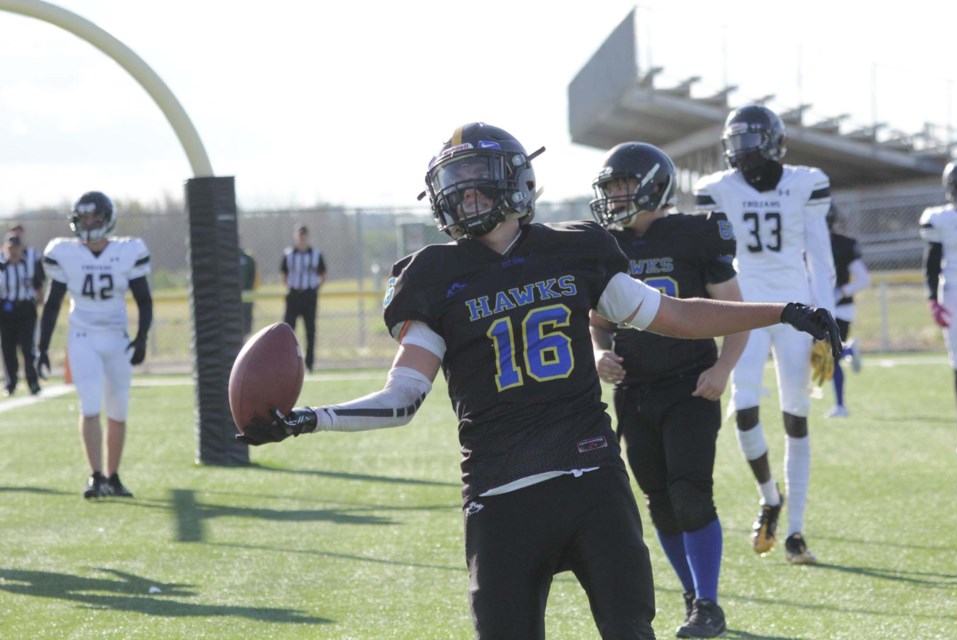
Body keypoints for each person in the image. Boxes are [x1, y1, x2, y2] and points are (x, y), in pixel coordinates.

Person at [238, 123, 840, 640]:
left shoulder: (573, 249)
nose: (466, 194)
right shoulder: (432, 274)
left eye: (478, 177)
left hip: (592, 485)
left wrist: (780, 309)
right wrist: (308, 418)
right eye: (454, 182)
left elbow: (676, 314)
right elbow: (403, 397)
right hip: (501, 497)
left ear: (516, 179)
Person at [588, 143, 746, 638]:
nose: (614, 198)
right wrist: (598, 354)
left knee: (690, 493)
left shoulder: (694, 234)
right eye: (610, 189)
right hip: (635, 390)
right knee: (659, 498)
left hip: (689, 385)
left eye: (623, 186)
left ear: (655, 184)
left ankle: (709, 604)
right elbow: (596, 321)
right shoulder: (604, 245)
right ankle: (692, 593)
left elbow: (736, 312)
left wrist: (724, 367)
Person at [694, 104, 836, 565]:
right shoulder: (719, 188)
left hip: (797, 309)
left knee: (796, 415)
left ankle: (796, 531)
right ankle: (769, 496)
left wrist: (828, 319)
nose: (741, 148)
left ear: (772, 141)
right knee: (745, 409)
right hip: (745, 307)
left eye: (749, 138)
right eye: (735, 139)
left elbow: (821, 255)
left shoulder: (805, 182)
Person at [36, 191, 153, 499]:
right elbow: (52, 304)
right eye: (83, 218)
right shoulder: (65, 253)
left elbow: (144, 299)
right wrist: (42, 347)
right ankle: (95, 476)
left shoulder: (127, 251)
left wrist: (142, 337)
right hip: (83, 337)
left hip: (116, 336)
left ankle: (113, 477)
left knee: (118, 410)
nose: (88, 224)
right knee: (89, 406)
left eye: (94, 218)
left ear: (107, 219)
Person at [920, 159, 957, 455]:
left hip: (952, 293)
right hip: (954, 294)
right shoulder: (941, 219)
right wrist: (933, 299)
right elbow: (932, 262)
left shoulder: (941, 218)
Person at [825, 206, 871, 418]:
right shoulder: (840, 243)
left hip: (838, 308)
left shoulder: (841, 245)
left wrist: (840, 292)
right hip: (838, 308)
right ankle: (848, 351)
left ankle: (841, 405)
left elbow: (864, 279)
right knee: (824, 355)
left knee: (828, 357)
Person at [0, 232, 44, 396]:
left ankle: (32, 382)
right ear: (6, 249)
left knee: (28, 348)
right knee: (8, 348)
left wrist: (40, 299)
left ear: (20, 248)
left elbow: (38, 284)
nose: (13, 251)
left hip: (26, 309)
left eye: (16, 248)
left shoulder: (30, 262)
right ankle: (10, 383)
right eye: (10, 248)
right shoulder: (1, 265)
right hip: (6, 310)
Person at [280, 224, 326, 371]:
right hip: (293, 295)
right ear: (295, 237)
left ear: (307, 237)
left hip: (309, 295)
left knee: (310, 330)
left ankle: (309, 363)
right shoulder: (289, 255)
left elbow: (323, 275)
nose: (301, 238)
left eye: (304, 235)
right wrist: (290, 287)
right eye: (299, 235)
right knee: (288, 330)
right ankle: (287, 362)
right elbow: (283, 274)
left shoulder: (316, 254)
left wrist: (314, 288)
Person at [239, 242, 259, 338]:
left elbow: (254, 278)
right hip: (229, 299)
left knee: (246, 330)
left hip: (246, 298)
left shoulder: (248, 258)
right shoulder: (224, 258)